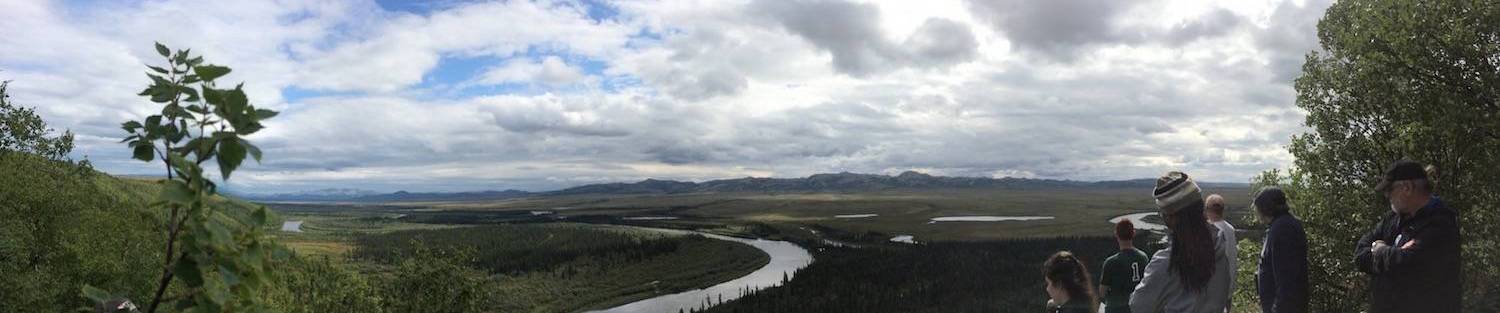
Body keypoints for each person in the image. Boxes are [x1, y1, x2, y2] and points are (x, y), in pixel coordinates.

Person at [1353, 160, 1461, 313]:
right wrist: (1392, 254)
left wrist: (1380, 250)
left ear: (1407, 187)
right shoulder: (1392, 219)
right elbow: (1360, 253)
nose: (1386, 195)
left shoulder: (1441, 222)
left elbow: (1411, 265)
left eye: (1389, 189)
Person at [1130, 171, 1233, 313]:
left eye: (1162, 213)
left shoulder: (1166, 262)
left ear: (1171, 218)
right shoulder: (1219, 247)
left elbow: (1138, 305)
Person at [1250, 187, 1307, 313]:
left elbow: (1287, 279)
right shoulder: (1282, 225)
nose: (1256, 212)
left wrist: (1277, 309)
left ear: (1265, 208)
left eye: (1257, 208)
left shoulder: (1283, 229)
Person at [1101, 220, 1150, 313]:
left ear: (1116, 234)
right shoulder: (1143, 258)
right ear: (1133, 233)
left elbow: (1102, 292)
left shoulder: (1110, 262)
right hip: (1137, 307)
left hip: (1115, 309)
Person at [1204, 193, 1238, 312]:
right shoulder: (1230, 229)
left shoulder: (1208, 231)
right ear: (1222, 210)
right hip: (1229, 283)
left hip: (1212, 289)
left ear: (1207, 209)